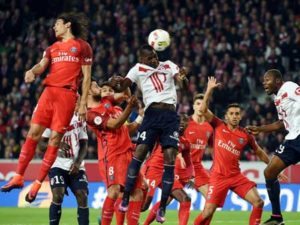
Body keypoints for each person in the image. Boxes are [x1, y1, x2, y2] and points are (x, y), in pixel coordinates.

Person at [1, 12, 93, 203]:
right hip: (48, 93)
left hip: (67, 96)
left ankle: (36, 183)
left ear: (67, 25)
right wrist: (32, 71)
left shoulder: (83, 47)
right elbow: (42, 65)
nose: (54, 27)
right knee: (33, 133)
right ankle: (18, 176)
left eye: (57, 24)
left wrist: (83, 102)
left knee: (55, 138)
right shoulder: (52, 48)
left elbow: (87, 78)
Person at [112, 44, 187, 223]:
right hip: (151, 115)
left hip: (170, 116)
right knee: (139, 154)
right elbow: (122, 85)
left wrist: (183, 77)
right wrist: (117, 82)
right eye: (150, 58)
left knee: (170, 160)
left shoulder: (168, 64)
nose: (154, 59)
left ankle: (161, 208)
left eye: (155, 56)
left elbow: (181, 82)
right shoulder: (137, 69)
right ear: (142, 59)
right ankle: (125, 198)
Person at [194, 77, 272, 225]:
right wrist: (209, 89)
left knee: (258, 202)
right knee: (207, 212)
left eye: (237, 113)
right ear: (226, 116)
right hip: (218, 177)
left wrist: (272, 166)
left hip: (236, 176)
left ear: (241, 116)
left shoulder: (245, 134)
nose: (235, 116)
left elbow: (260, 152)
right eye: (232, 113)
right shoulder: (218, 125)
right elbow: (203, 110)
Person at [87, 80, 145, 225]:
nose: (102, 89)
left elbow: (127, 127)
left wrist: (124, 82)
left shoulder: (114, 107)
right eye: (99, 87)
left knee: (137, 192)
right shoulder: (92, 113)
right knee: (114, 190)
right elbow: (114, 124)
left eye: (108, 89)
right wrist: (129, 107)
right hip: (112, 155)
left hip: (128, 153)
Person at [246, 69, 300, 225]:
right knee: (269, 172)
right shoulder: (277, 99)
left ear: (277, 81)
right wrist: (260, 129)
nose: (264, 83)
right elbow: (282, 123)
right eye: (263, 80)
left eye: (267, 80)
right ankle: (277, 218)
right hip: (293, 139)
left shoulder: (289, 87)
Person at [141, 114, 193, 225]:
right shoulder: (165, 133)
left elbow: (188, 162)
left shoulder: (185, 143)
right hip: (153, 170)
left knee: (185, 199)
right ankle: (115, 210)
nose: (182, 122)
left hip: (168, 175)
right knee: (143, 206)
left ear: (188, 124)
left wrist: (190, 176)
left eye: (185, 121)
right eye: (179, 120)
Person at [41, 107, 89, 225]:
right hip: (57, 164)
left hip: (76, 164)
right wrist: (56, 144)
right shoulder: (52, 117)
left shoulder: (80, 117)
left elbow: (84, 144)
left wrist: (77, 164)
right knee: (58, 195)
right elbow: (41, 144)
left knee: (82, 196)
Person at [184, 93, 213, 196]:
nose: (200, 106)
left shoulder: (209, 127)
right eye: (198, 103)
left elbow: (213, 148)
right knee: (169, 198)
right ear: (193, 106)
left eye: (203, 104)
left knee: (212, 197)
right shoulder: (185, 123)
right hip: (182, 165)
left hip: (197, 166)